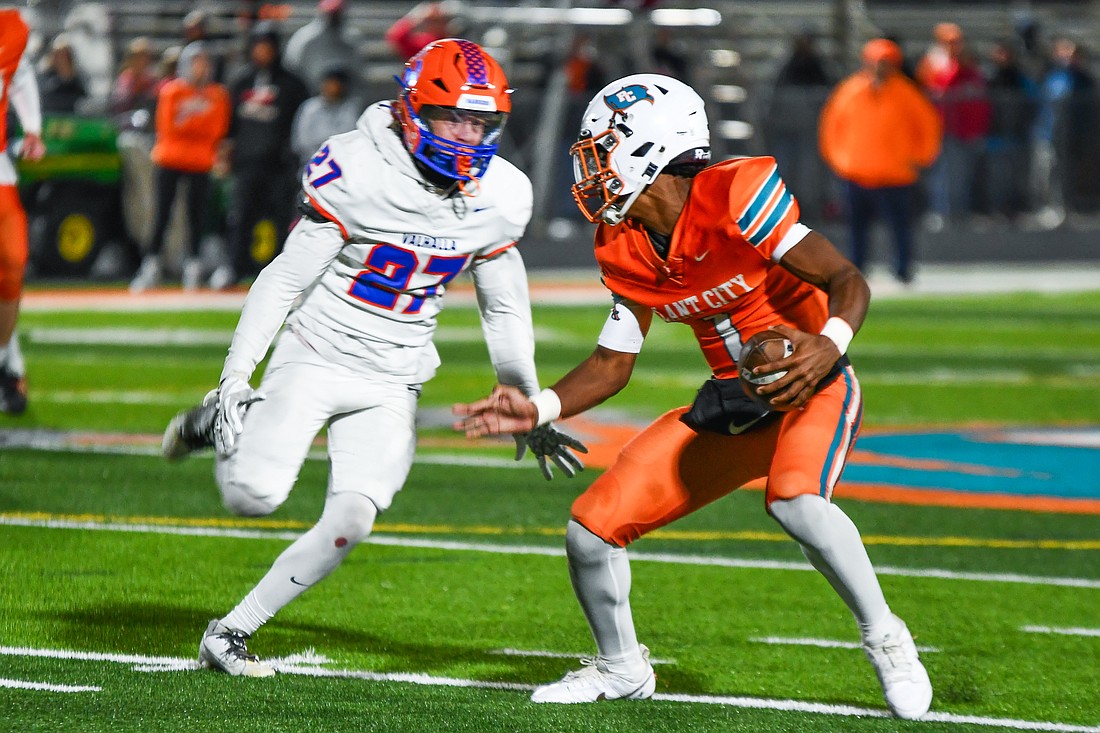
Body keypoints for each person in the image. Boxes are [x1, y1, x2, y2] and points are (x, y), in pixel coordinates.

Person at [454, 73, 934, 720]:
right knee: (591, 530)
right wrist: (537, 406)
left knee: (796, 503)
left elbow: (846, 277)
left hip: (807, 382)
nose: (591, 164)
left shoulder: (735, 193)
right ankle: (622, 667)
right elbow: (611, 363)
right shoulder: (621, 240)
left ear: (650, 147)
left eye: (603, 147)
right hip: (735, 402)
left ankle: (886, 636)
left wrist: (829, 343)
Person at [159, 39, 584, 676]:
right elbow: (283, 279)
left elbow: (503, 310)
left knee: (354, 517)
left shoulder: (501, 194)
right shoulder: (359, 166)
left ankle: (230, 634)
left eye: (482, 122)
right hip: (317, 353)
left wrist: (530, 403)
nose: (468, 137)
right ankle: (215, 427)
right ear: (414, 110)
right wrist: (234, 379)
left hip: (395, 374)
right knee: (253, 495)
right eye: (453, 118)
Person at [819, 39, 942, 284]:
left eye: (886, 63)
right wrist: (840, 161)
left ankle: (903, 269)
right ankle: (857, 270)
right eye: (877, 62)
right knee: (856, 229)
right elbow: (831, 128)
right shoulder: (850, 90)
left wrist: (920, 158)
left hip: (895, 174)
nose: (881, 67)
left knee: (900, 227)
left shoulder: (907, 93)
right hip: (857, 173)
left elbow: (929, 128)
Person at [210, 21, 309, 290]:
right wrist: (225, 153)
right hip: (246, 164)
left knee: (281, 219)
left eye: (268, 46)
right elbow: (230, 124)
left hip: (279, 165)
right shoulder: (241, 80)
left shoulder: (293, 84)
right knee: (240, 217)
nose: (263, 52)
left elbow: (300, 123)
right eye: (259, 46)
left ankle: (281, 272)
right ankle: (233, 268)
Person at [129, 42, 231, 293]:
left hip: (200, 161)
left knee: (198, 217)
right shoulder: (171, 91)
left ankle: (193, 266)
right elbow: (168, 127)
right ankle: (150, 264)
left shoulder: (217, 94)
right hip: (170, 159)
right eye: (196, 62)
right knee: (162, 213)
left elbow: (217, 129)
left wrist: (191, 124)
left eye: (204, 63)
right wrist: (197, 123)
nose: (201, 68)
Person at [0, 9, 45, 415]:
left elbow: (21, 73)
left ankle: (5, 359)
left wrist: (32, 127)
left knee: (12, 264)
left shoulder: (10, 27)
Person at [916, 23, 991, 227]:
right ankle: (941, 212)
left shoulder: (972, 68)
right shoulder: (934, 62)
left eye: (957, 41)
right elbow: (932, 89)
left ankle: (959, 214)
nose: (955, 46)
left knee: (962, 175)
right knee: (943, 175)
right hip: (943, 128)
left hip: (967, 130)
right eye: (950, 42)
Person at [284, 0, 364, 96]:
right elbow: (291, 66)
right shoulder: (305, 39)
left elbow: (358, 72)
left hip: (344, 98)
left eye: (336, 14)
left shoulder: (351, 39)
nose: (333, 18)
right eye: (330, 14)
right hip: (309, 94)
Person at [290, 64, 362, 165]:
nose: (332, 86)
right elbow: (301, 143)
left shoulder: (351, 108)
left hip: (343, 163)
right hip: (311, 162)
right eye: (330, 82)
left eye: (337, 83)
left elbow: (350, 137)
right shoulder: (310, 108)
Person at [384, 1, 456, 61]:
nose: (440, 24)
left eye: (443, 20)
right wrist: (416, 18)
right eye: (433, 21)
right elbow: (396, 37)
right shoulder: (427, 43)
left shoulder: (458, 41)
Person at [38, 33, 87, 114]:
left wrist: (68, 78)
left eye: (64, 55)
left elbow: (82, 98)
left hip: (71, 119)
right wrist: (62, 81)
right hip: (50, 118)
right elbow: (45, 95)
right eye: (58, 55)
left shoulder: (76, 79)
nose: (61, 59)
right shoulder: (46, 75)